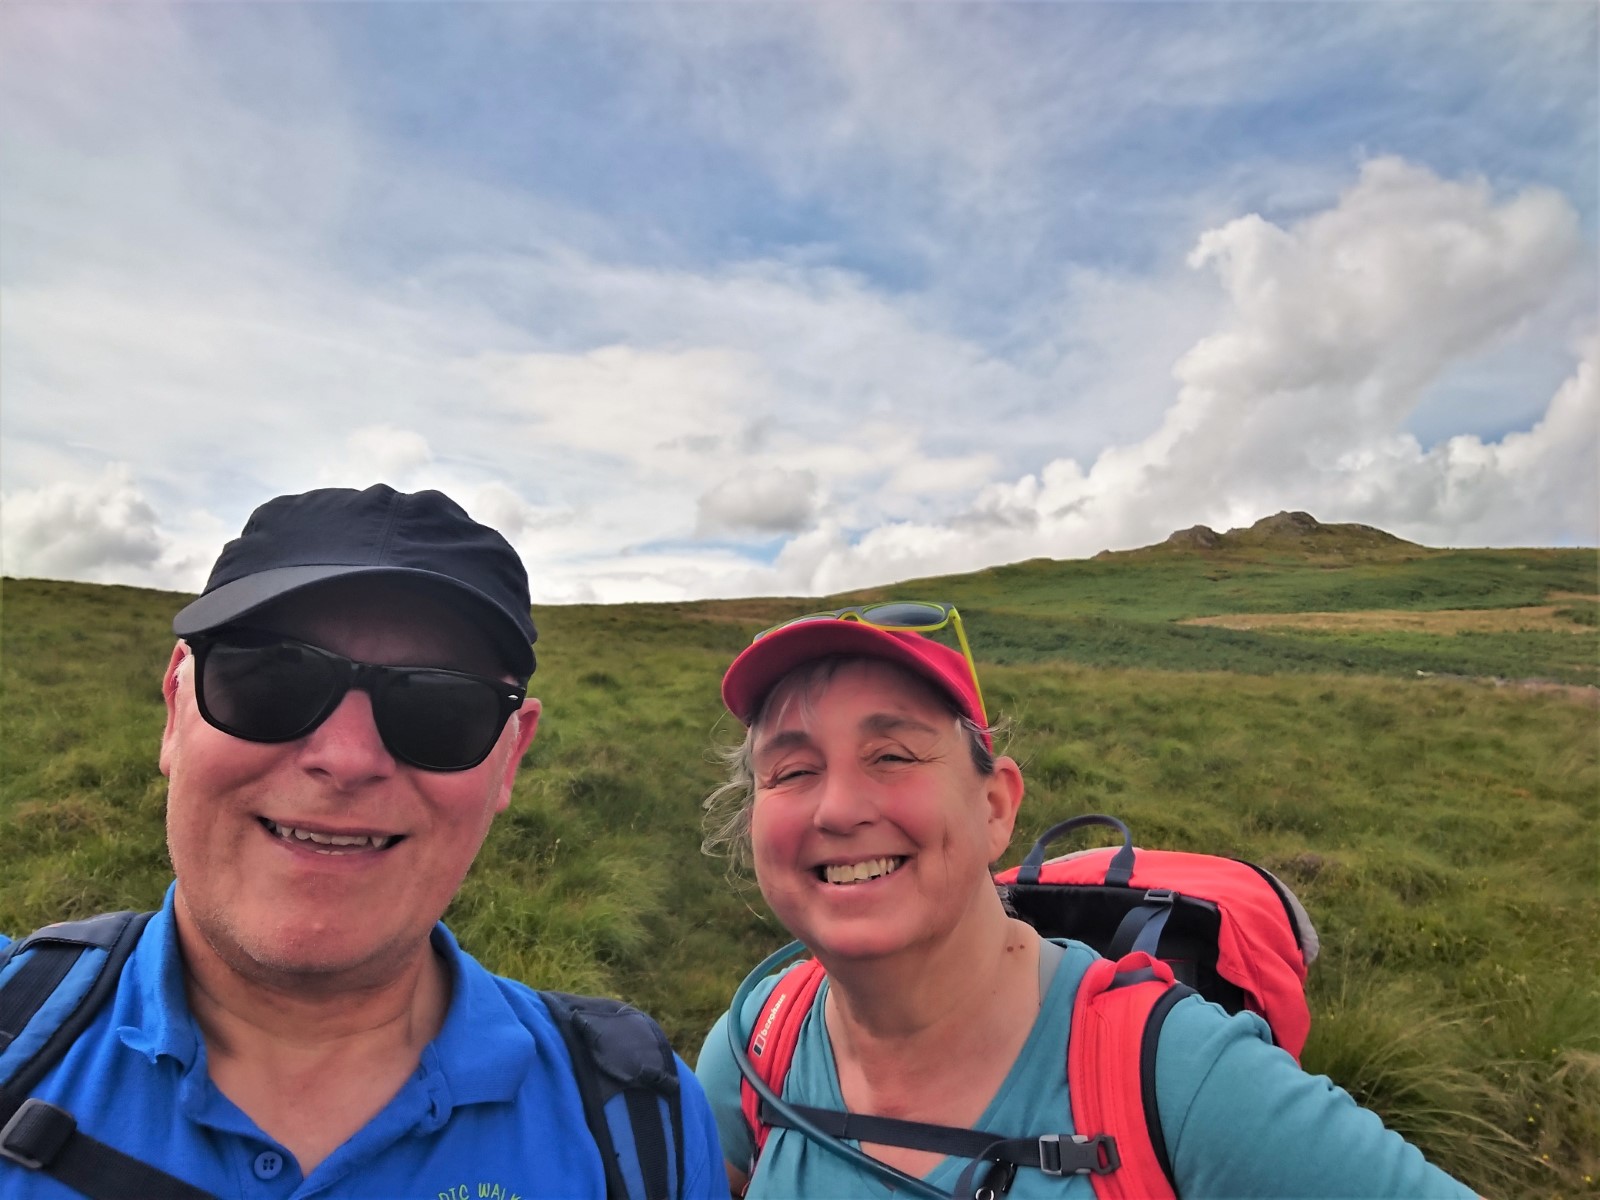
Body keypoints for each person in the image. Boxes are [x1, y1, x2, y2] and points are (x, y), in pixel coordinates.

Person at [0, 484, 726, 1200]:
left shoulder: (641, 1121)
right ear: (174, 708)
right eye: (270, 680)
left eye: (439, 704)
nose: (347, 758)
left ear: (510, 759)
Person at [694, 602, 1479, 1199]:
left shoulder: (1183, 1082)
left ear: (996, 807)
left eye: (893, 755)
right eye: (792, 771)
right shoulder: (757, 1044)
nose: (836, 809)